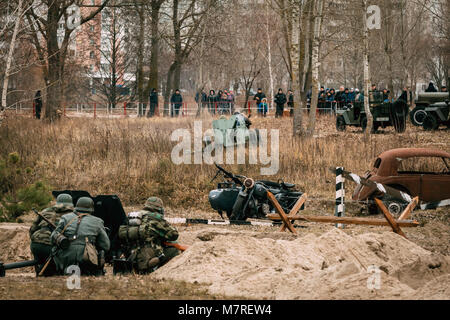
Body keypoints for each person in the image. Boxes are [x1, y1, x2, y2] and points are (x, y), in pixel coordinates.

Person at [51, 197, 110, 276]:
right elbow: (105, 245)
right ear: (91, 208)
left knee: (68, 278)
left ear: (76, 206)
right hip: (87, 256)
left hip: (66, 254)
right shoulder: (98, 221)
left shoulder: (65, 218)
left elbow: (53, 236)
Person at [122, 197, 180, 274]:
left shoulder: (134, 217)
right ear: (159, 208)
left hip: (130, 257)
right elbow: (174, 235)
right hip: (148, 260)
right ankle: (161, 271)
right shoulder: (155, 218)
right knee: (175, 250)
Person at [29, 194, 74, 276]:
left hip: (35, 243)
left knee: (40, 266)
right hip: (51, 246)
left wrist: (34, 240)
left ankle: (39, 273)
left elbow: (32, 229)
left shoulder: (45, 211)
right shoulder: (72, 215)